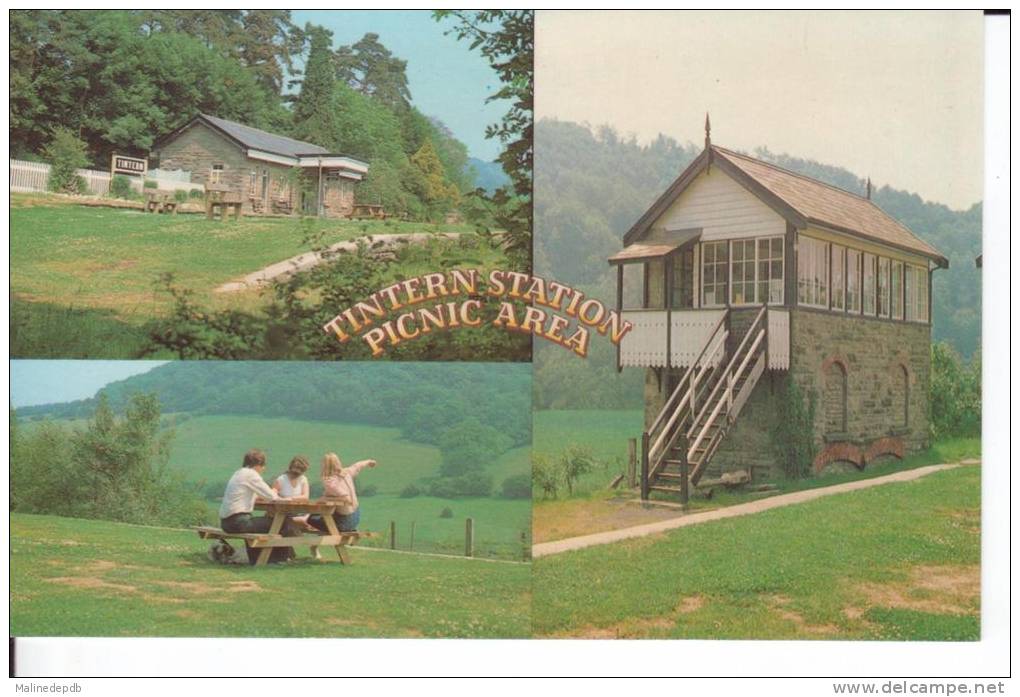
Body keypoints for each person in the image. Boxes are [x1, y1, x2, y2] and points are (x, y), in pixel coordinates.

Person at [219, 449, 298, 564]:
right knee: (283, 522)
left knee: (266, 523)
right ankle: (281, 559)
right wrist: (284, 497)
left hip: (226, 523)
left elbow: (256, 494)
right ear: (258, 465)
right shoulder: (251, 474)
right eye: (263, 466)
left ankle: (262, 559)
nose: (263, 469)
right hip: (238, 522)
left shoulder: (239, 473)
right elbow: (271, 496)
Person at [308, 452, 377, 533]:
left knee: (311, 519)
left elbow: (346, 498)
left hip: (345, 522)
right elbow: (357, 466)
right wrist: (369, 462)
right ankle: (338, 527)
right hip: (356, 517)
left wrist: (325, 498)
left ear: (324, 465)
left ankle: (334, 530)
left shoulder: (329, 481)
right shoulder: (347, 472)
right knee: (325, 515)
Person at [272, 456, 316, 531]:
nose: (297, 473)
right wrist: (281, 499)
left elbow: (305, 497)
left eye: (300, 471)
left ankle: (304, 522)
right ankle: (303, 522)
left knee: (314, 518)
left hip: (300, 511)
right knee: (303, 521)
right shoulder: (281, 479)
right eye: (295, 469)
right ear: (291, 467)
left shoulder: (303, 479)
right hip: (285, 513)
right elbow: (273, 494)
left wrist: (290, 499)